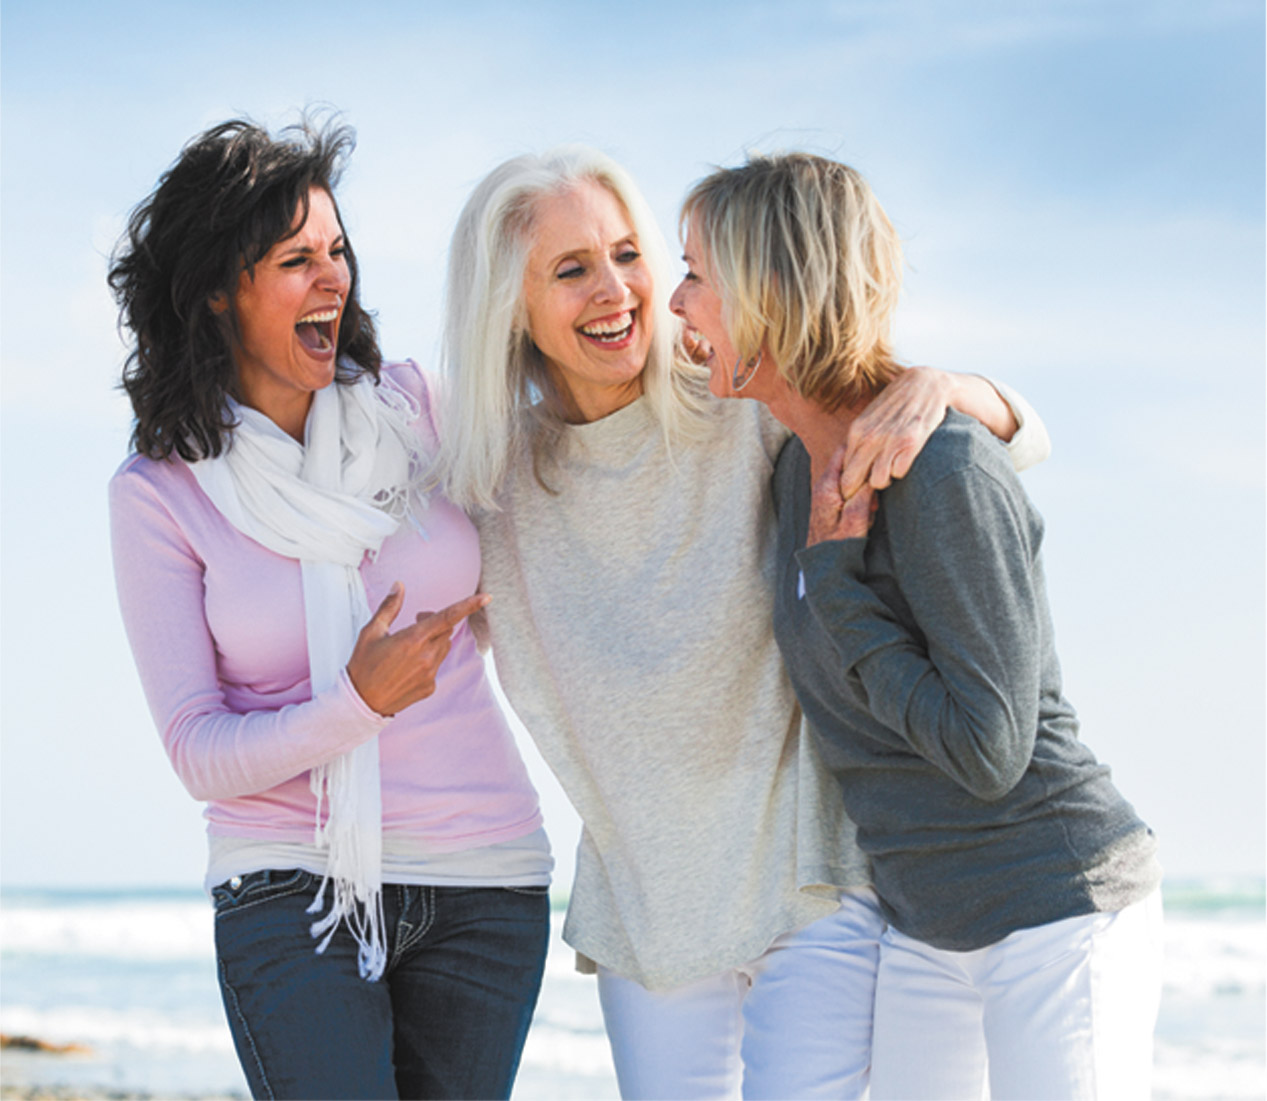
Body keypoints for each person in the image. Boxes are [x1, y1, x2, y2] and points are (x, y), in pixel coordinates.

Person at [434, 145, 1049, 1099]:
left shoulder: (735, 394)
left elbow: (1016, 438)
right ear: (506, 306)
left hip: (810, 878)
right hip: (645, 909)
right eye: (571, 270)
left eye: (628, 255)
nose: (617, 291)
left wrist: (942, 385)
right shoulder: (486, 482)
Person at [670, 151, 1164, 1101]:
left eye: (696, 274)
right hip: (925, 929)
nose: (676, 302)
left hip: (1056, 909)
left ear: (771, 292)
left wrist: (836, 584)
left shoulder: (942, 472)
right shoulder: (791, 470)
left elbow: (987, 750)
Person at [107, 117, 551, 1101]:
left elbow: (589, 443)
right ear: (216, 289)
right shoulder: (160, 493)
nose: (332, 278)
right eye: (295, 259)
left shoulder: (420, 411)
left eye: (337, 250)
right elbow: (196, 749)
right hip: (288, 886)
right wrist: (356, 704)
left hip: (484, 879)